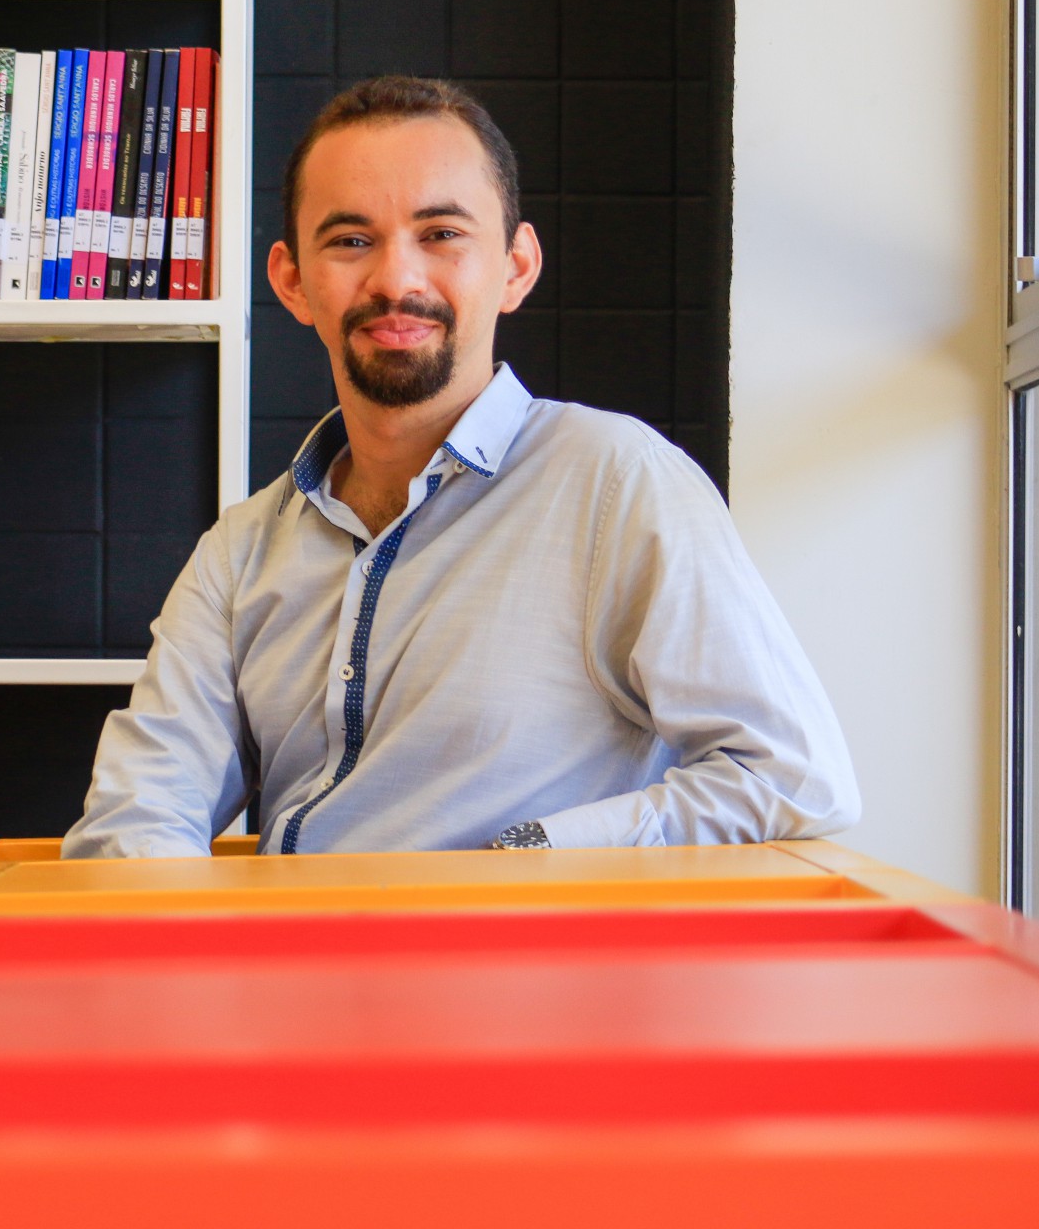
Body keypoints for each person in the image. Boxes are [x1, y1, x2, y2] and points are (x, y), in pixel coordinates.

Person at [63, 76, 859, 858]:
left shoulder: (618, 483)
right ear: (293, 282)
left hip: (522, 976)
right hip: (287, 974)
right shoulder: (239, 551)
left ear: (515, 267)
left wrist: (526, 851)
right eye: (350, 241)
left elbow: (791, 777)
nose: (396, 280)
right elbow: (139, 815)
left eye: (442, 234)